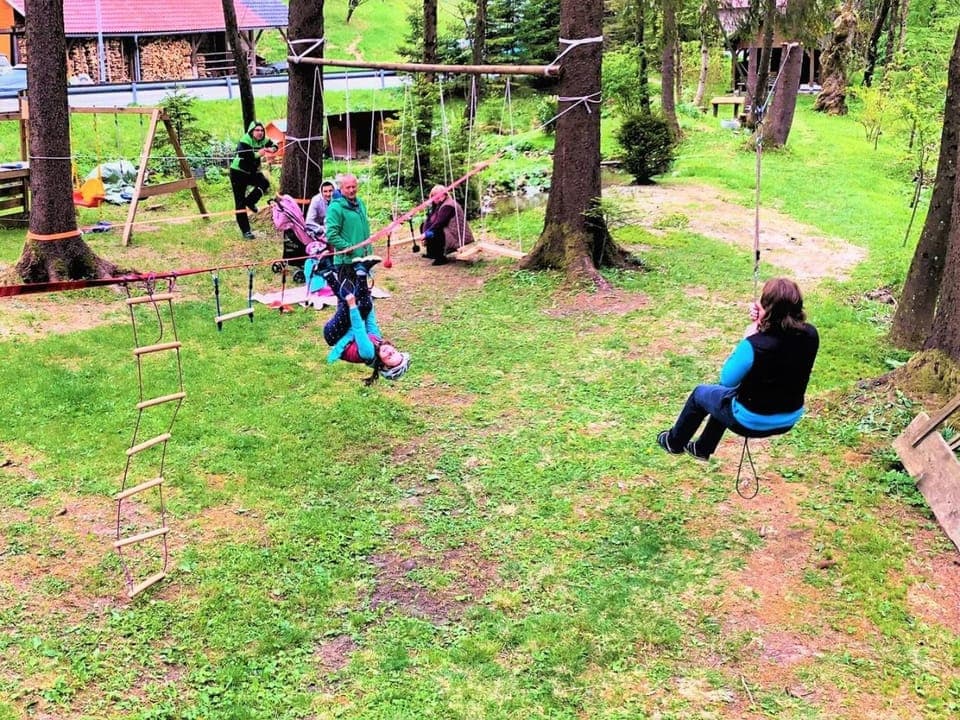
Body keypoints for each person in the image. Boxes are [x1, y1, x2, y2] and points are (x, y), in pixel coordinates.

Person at [657, 277, 819, 461]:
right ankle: (702, 448)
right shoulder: (811, 334)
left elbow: (727, 380)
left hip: (750, 420)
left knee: (701, 393)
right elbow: (781, 342)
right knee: (723, 397)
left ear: (768, 310)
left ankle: (673, 442)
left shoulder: (753, 345)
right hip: (789, 417)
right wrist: (762, 321)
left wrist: (748, 338)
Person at [324, 272, 410, 385]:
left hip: (334, 336)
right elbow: (370, 321)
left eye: (389, 357)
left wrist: (353, 306)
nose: (389, 351)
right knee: (366, 305)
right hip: (347, 331)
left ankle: (327, 273)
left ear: (383, 365)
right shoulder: (377, 341)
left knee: (347, 303)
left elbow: (358, 329)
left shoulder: (368, 353)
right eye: (393, 352)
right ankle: (359, 272)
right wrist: (367, 296)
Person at [229, 121, 277, 240]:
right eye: (257, 130)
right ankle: (246, 231)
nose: (260, 133)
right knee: (240, 203)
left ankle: (250, 201)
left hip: (251, 172)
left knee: (264, 183)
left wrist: (272, 149)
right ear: (251, 131)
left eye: (262, 130)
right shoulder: (245, 140)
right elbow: (245, 155)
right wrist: (258, 154)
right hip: (238, 172)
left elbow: (275, 145)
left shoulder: (263, 140)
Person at [325, 173, 378, 273]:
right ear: (341, 188)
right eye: (348, 187)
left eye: (353, 187)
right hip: (347, 262)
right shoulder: (335, 207)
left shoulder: (360, 203)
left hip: (364, 259)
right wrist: (346, 246)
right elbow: (331, 235)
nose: (351, 190)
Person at [419, 184, 474, 265]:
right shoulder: (439, 204)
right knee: (424, 226)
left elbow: (439, 223)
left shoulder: (448, 205)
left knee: (436, 231)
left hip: (457, 235)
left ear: (443, 195)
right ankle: (431, 253)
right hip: (447, 230)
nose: (434, 198)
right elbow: (431, 219)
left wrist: (426, 234)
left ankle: (440, 257)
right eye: (433, 196)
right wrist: (425, 231)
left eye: (436, 196)